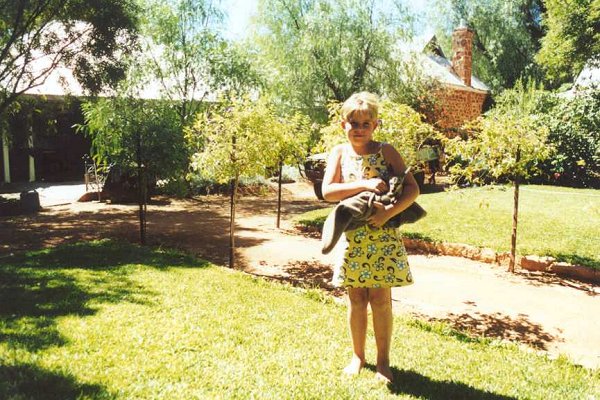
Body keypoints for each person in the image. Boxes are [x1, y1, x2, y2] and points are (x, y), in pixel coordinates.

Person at [321, 92, 419, 384]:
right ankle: (357, 357)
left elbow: (412, 189)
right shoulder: (339, 152)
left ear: (375, 125)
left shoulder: (386, 151)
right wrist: (363, 183)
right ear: (344, 125)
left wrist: (388, 214)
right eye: (354, 123)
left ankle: (383, 362)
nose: (360, 128)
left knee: (381, 299)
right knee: (356, 299)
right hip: (353, 238)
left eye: (366, 123)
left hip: (382, 236)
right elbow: (327, 191)